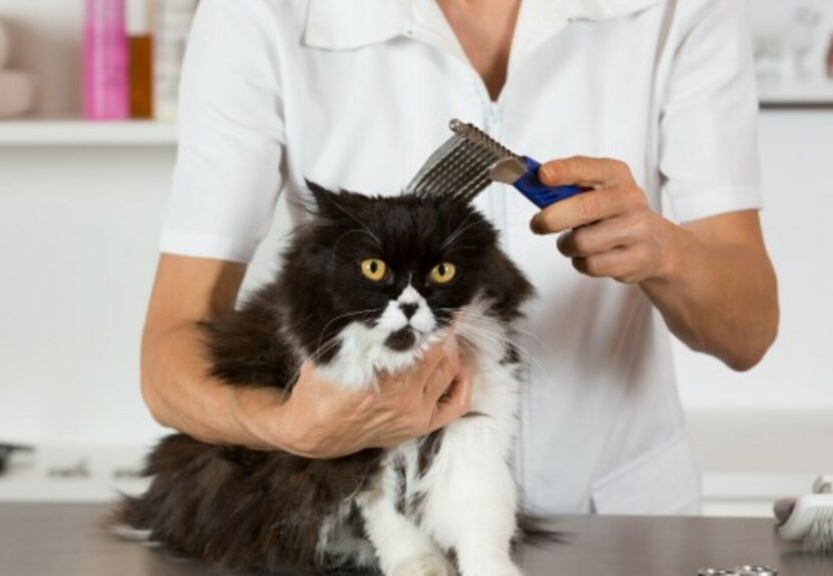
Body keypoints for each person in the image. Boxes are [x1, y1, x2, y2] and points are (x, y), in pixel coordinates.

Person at [139, 0, 779, 515]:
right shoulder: (257, 14)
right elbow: (167, 356)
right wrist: (289, 427)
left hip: (618, 520)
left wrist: (664, 252)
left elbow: (747, 334)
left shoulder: (686, 10)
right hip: (387, 525)